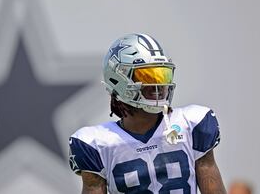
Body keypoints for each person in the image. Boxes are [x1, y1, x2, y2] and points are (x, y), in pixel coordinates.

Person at [68, 33, 226, 193]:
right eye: (147, 76)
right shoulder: (97, 144)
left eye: (161, 75)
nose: (158, 84)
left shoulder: (191, 124)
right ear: (118, 80)